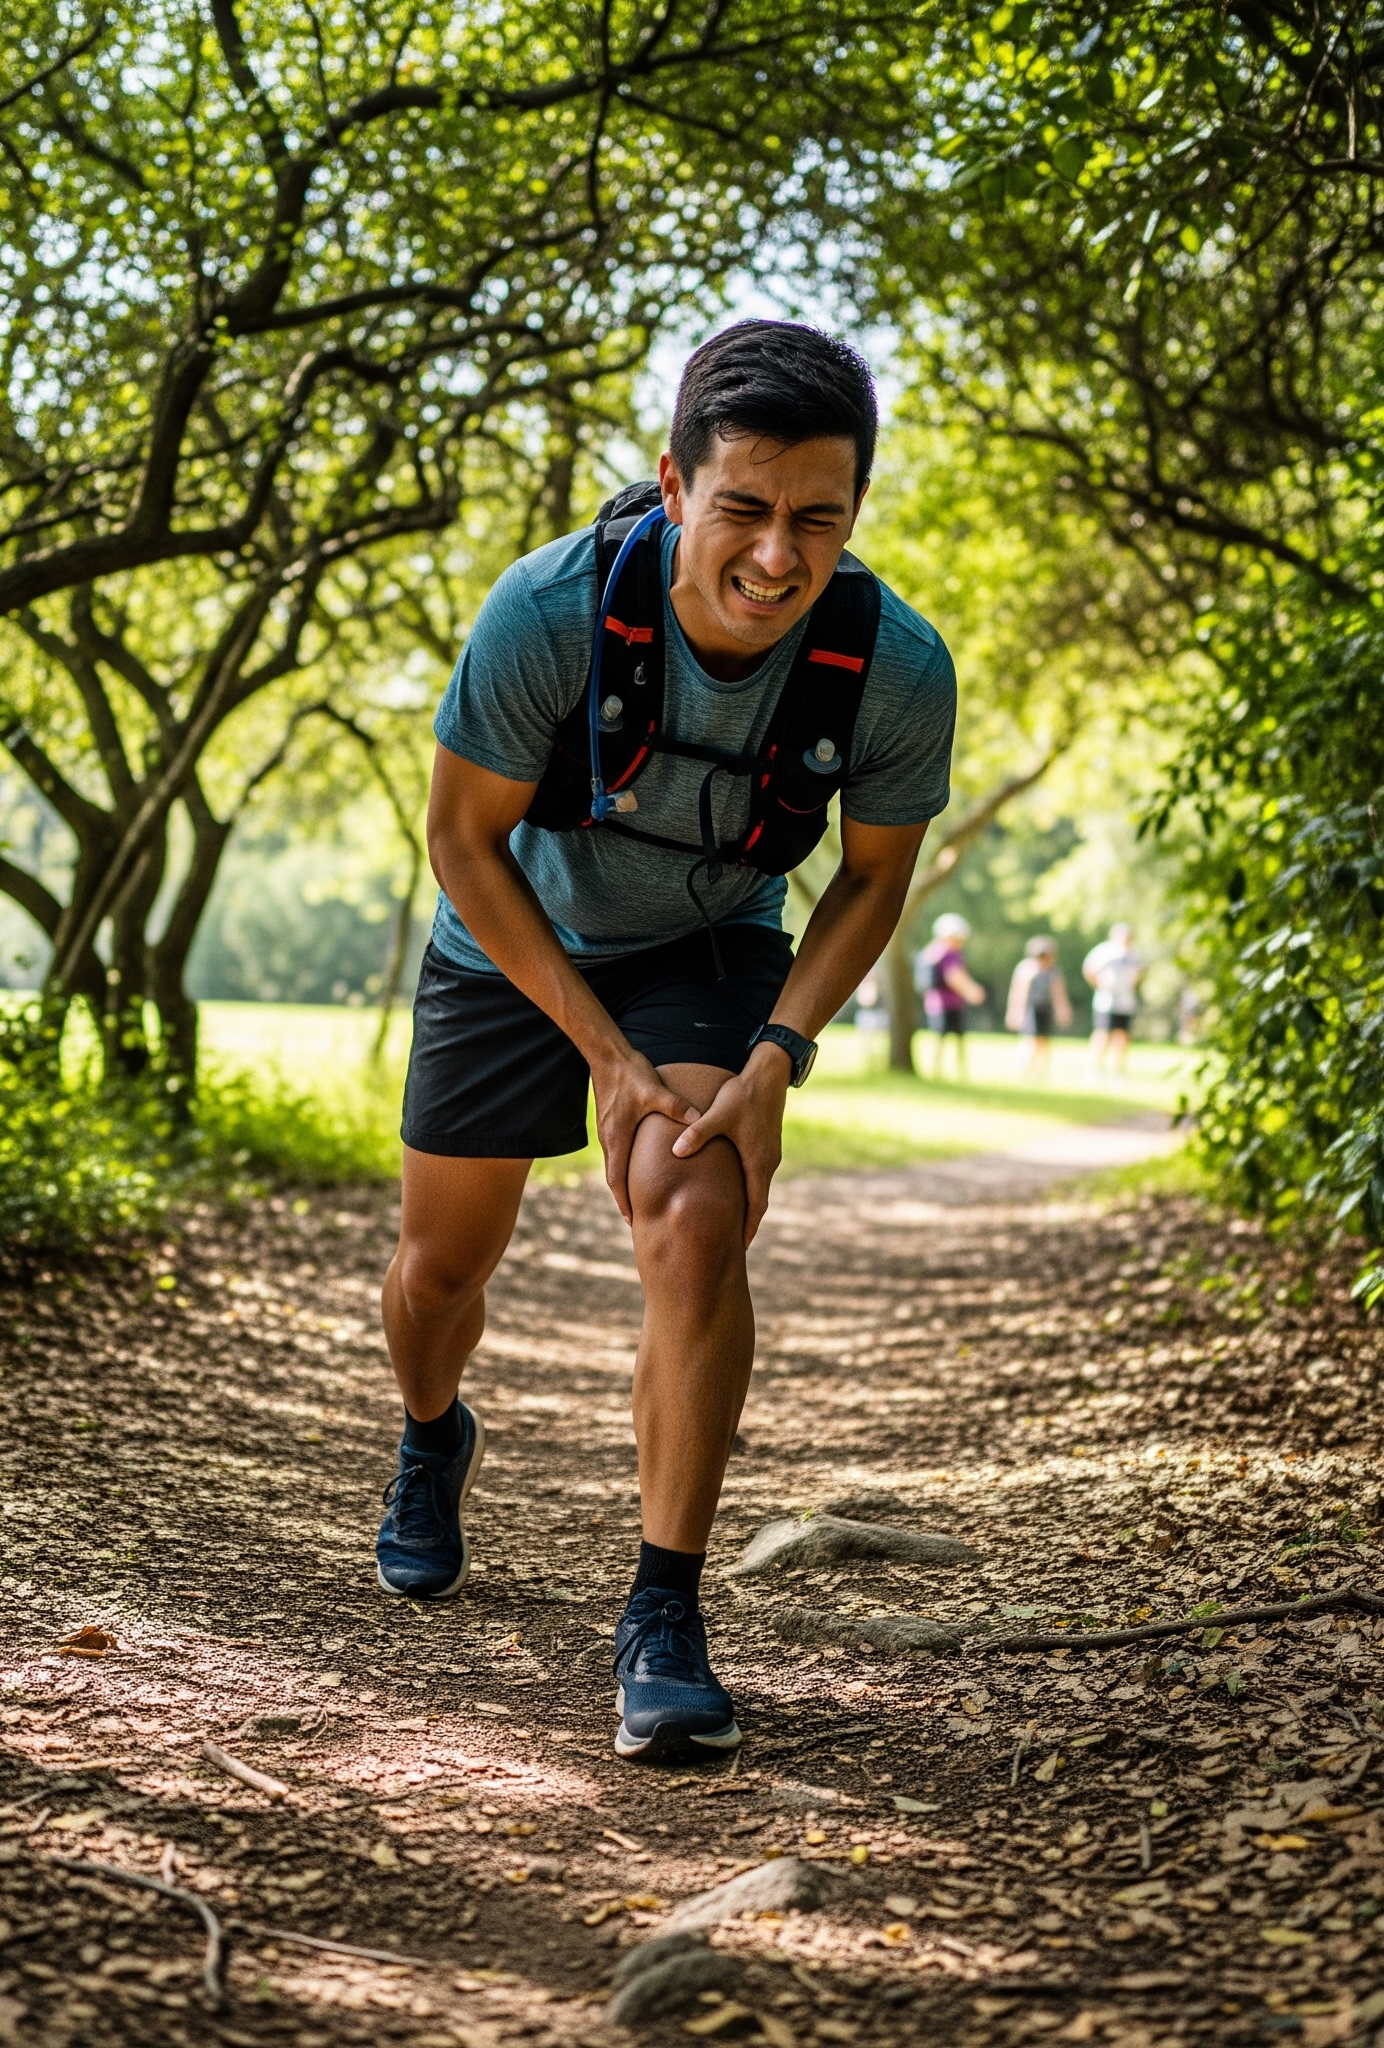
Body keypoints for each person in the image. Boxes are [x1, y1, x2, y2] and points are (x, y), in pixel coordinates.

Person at [374, 321, 957, 1763]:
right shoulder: (549, 614)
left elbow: (873, 878)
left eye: (818, 519)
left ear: (856, 513)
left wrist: (774, 1055)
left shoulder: (891, 670)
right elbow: (461, 841)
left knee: (695, 1212)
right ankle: (432, 1435)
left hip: (706, 941)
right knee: (441, 1271)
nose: (776, 555)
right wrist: (602, 1053)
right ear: (675, 484)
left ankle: (665, 1612)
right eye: (743, 508)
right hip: (515, 930)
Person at [918, 911, 987, 1080]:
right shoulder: (949, 953)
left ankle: (937, 1071)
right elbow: (954, 976)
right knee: (956, 1038)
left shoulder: (931, 951)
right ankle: (959, 1072)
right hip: (949, 1003)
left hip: (933, 1003)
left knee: (940, 1038)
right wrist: (972, 991)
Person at [1004, 935, 1071, 1082]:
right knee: (1029, 1040)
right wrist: (1015, 1012)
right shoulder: (1026, 969)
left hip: (1045, 1008)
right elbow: (1018, 992)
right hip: (1029, 1008)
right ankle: (1022, 1069)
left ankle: (1040, 1072)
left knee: (1043, 1040)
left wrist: (1063, 1009)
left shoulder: (1053, 972)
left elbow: (1058, 992)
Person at [1082, 921, 1145, 1075]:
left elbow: (1140, 972)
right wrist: (1099, 985)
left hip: (1125, 1001)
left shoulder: (1135, 954)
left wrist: (1133, 982)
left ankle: (1117, 1069)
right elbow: (1089, 969)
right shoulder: (1103, 951)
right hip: (1106, 1000)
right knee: (1102, 1033)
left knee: (1122, 1035)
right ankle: (1095, 1067)